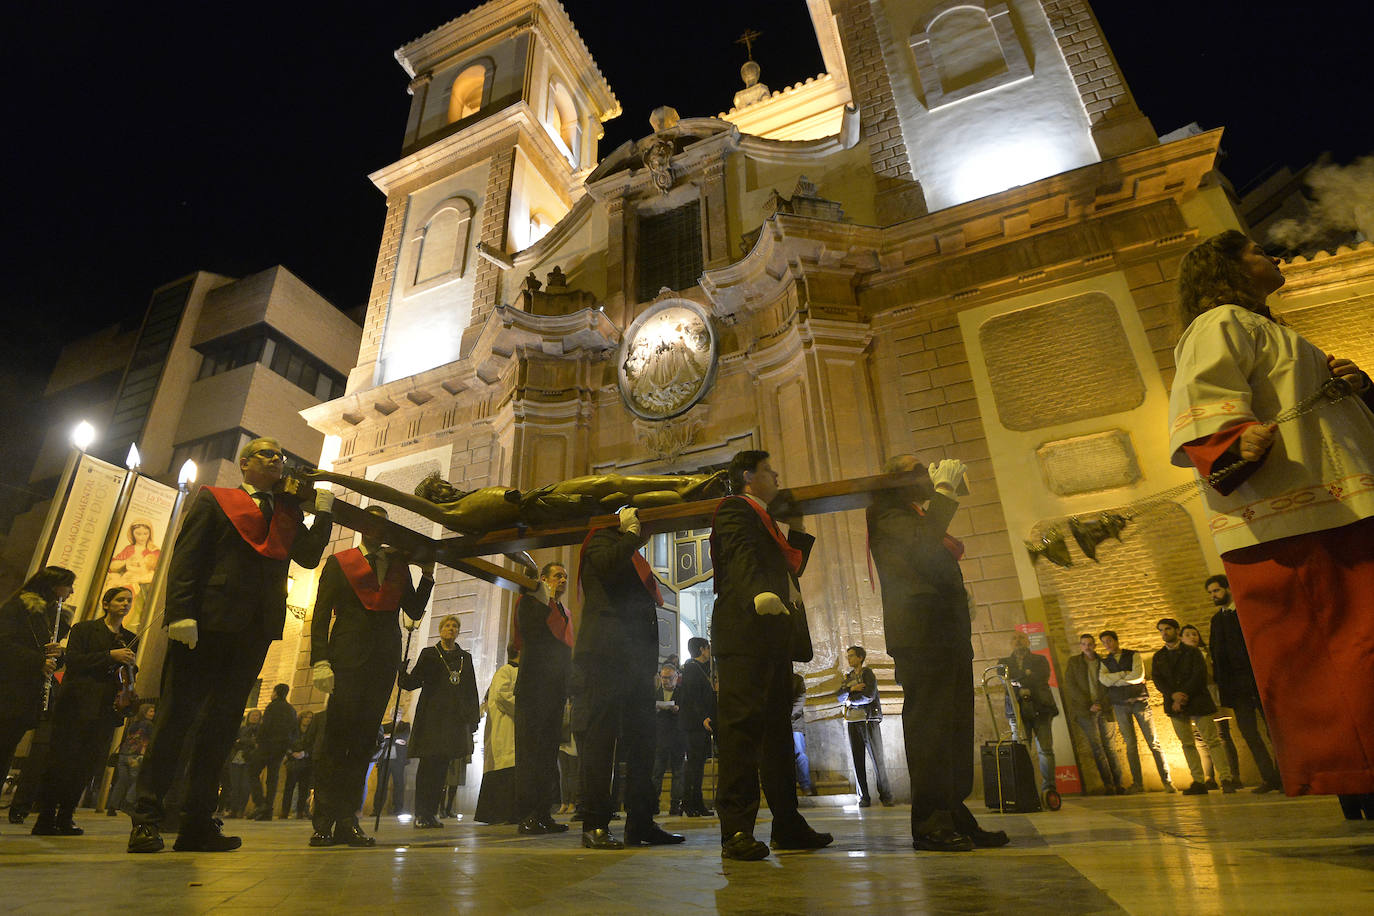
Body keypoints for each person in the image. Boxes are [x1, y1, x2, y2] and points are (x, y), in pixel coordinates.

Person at [1169, 230, 1374, 816]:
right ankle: (1354, 778)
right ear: (1225, 270)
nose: (1274, 257)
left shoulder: (1276, 329)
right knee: (1337, 656)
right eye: (1259, 252)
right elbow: (1205, 396)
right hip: (1292, 516)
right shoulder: (1219, 324)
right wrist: (1232, 442)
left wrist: (1353, 385)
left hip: (1340, 505)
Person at [127, 436, 334, 853]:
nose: (277, 460)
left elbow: (309, 558)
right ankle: (146, 819)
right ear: (245, 464)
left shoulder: (287, 513)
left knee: (220, 727)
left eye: (281, 455)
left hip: (254, 628)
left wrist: (323, 515)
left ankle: (197, 823)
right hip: (205, 623)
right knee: (175, 720)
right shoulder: (216, 499)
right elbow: (188, 558)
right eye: (267, 454)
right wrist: (180, 612)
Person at [867, 454, 1008, 852]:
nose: (928, 474)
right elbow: (921, 546)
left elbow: (931, 556)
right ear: (896, 478)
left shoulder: (912, 513)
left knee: (955, 727)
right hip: (921, 635)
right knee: (930, 729)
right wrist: (944, 494)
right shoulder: (887, 513)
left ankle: (954, 812)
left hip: (946, 631)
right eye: (917, 469)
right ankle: (930, 823)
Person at [709, 449, 830, 860]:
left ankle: (787, 824)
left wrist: (795, 526)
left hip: (773, 636)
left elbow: (786, 567)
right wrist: (757, 590)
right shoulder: (735, 509)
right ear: (748, 476)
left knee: (777, 735)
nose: (776, 475)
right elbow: (741, 553)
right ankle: (736, 831)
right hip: (745, 632)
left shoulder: (767, 521)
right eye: (768, 471)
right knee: (741, 732)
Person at [308, 504, 432, 846]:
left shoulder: (397, 567)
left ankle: (348, 819)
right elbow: (320, 615)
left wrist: (428, 576)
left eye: (382, 524)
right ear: (359, 526)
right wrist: (320, 660)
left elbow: (414, 609)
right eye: (370, 522)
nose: (376, 528)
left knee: (364, 742)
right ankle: (324, 820)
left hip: (382, 662)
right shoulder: (339, 562)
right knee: (336, 740)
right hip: (346, 660)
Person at [574, 508, 683, 849]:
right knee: (601, 740)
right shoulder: (600, 538)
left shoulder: (629, 551)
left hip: (635, 661)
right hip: (606, 658)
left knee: (641, 742)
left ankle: (640, 823)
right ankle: (594, 823)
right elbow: (606, 565)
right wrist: (630, 536)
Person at [31, 586, 138, 835]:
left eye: (129, 600)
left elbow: (128, 671)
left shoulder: (130, 637)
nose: (125, 604)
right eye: (120, 600)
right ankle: (46, 818)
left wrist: (131, 666)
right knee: (61, 760)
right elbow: (74, 660)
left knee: (87, 764)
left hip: (105, 708)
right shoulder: (84, 629)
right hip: (76, 704)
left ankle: (67, 816)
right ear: (106, 603)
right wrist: (110, 656)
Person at [0, 566, 74, 808]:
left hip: (27, 691)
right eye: (68, 585)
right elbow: (6, 644)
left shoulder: (54, 615)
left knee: (8, 746)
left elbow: (48, 654)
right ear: (54, 586)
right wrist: (37, 661)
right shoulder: (18, 607)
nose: (71, 591)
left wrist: (57, 655)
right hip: (9, 687)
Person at [1204, 575, 1283, 794]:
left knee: (1273, 731)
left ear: (1228, 589)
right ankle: (1270, 778)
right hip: (1237, 689)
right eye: (1210, 593)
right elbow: (1217, 653)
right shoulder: (1217, 620)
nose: (1214, 595)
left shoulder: (1246, 612)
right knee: (1249, 733)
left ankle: (1285, 775)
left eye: (1217, 591)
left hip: (1258, 682)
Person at [398, 615, 479, 828]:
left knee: (442, 767)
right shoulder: (430, 654)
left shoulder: (464, 658)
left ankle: (431, 814)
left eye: (455, 626)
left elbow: (471, 689)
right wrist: (402, 674)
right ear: (441, 630)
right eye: (447, 626)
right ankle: (421, 814)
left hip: (452, 720)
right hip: (431, 719)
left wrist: (473, 719)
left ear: (458, 632)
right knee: (427, 766)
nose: (451, 629)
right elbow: (413, 682)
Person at [513, 562, 573, 835]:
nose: (562, 580)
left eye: (565, 577)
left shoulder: (564, 611)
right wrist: (543, 597)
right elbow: (531, 635)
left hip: (555, 690)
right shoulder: (529, 602)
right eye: (557, 576)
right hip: (533, 687)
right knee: (531, 752)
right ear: (544, 579)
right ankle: (527, 815)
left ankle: (543, 813)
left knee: (549, 755)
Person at [1152, 618, 1236, 794]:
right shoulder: (1159, 656)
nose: (1164, 633)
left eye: (1167, 629)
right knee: (1187, 743)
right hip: (1174, 704)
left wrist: (1182, 695)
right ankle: (1198, 780)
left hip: (1197, 700)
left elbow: (1199, 675)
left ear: (1176, 630)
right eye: (1161, 630)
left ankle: (1226, 778)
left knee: (1212, 741)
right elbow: (1159, 680)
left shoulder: (1192, 652)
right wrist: (1173, 695)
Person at [1098, 630, 1174, 793]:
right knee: (1130, 745)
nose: (1107, 645)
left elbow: (1138, 676)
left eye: (1109, 641)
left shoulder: (1133, 655)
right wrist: (1125, 675)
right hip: (1119, 704)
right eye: (1104, 642)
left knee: (1153, 742)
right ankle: (1138, 784)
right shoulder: (1105, 662)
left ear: (1116, 641)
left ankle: (1167, 781)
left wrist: (1116, 680)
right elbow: (1104, 680)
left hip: (1139, 702)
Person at [1178, 624, 1242, 789]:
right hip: (1194, 699)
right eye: (1188, 634)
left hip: (1212, 695)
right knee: (1200, 739)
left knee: (1222, 736)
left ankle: (1232, 776)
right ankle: (1209, 777)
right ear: (1181, 638)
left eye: (1195, 634)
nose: (1193, 637)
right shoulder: (1180, 657)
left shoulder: (1207, 654)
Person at [1062, 634, 1125, 795]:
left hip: (1104, 709)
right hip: (1085, 711)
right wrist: (1089, 705)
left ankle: (1119, 784)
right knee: (1096, 747)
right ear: (1081, 646)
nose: (1087, 647)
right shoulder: (1074, 663)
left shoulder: (1104, 662)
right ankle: (1108, 785)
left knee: (1109, 747)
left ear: (1095, 646)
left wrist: (1101, 704)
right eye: (1084, 644)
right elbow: (1071, 686)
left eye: (1090, 644)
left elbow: (1110, 685)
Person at [999, 632, 1059, 797]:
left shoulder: (1040, 660)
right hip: (1017, 711)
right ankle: (1027, 790)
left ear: (1028, 641)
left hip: (1041, 709)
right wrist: (1026, 675)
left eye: (1021, 638)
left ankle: (1049, 789)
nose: (1018, 641)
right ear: (1010, 643)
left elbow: (1042, 677)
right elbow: (1004, 680)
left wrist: (1016, 680)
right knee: (1021, 752)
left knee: (1046, 750)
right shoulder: (1003, 663)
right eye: (1014, 638)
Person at [838, 645, 892, 807]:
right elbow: (839, 697)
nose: (849, 659)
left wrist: (850, 698)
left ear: (861, 657)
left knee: (877, 759)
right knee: (857, 761)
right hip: (853, 721)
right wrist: (852, 689)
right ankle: (864, 797)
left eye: (852, 656)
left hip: (869, 720)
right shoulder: (848, 677)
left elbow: (869, 695)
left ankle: (886, 796)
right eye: (848, 656)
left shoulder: (868, 674)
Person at [474, 645, 520, 825]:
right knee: (504, 768)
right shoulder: (506, 671)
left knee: (510, 768)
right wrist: (526, 708)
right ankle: (498, 814)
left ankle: (508, 813)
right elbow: (502, 695)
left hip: (514, 727)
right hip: (505, 728)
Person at [678, 637, 716, 817]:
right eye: (708, 648)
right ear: (702, 649)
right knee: (693, 765)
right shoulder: (692, 668)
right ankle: (688, 803)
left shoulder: (700, 668)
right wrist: (703, 718)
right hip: (693, 724)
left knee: (699, 764)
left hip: (699, 723)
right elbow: (693, 697)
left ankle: (697, 802)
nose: (710, 652)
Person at [248, 684, 296, 820]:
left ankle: (260, 803)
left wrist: (258, 740)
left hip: (267, 746)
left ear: (275, 693)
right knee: (272, 778)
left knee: (252, 771)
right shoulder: (291, 709)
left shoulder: (272, 707)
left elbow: (266, 726)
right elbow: (293, 730)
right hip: (280, 749)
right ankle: (268, 810)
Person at [106, 702, 156, 816]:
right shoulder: (149, 725)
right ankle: (128, 803)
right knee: (137, 781)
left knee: (121, 781)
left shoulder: (133, 724)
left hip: (124, 754)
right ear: (145, 712)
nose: (153, 713)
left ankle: (112, 806)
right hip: (137, 755)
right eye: (151, 711)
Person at [652, 664, 686, 816]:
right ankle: (653, 804)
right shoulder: (654, 694)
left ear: (676, 677)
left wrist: (679, 710)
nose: (666, 681)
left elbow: (690, 711)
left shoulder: (682, 693)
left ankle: (675, 805)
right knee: (656, 773)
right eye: (663, 677)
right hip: (660, 738)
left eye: (669, 678)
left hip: (678, 737)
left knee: (678, 773)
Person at [280, 709, 317, 819]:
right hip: (293, 761)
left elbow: (314, 745)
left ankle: (300, 811)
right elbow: (286, 743)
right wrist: (292, 753)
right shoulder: (294, 730)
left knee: (304, 788)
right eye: (306, 717)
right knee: (289, 787)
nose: (307, 720)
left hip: (306, 761)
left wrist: (305, 753)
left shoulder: (312, 732)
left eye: (310, 718)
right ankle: (285, 811)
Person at [227, 710, 261, 817]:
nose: (255, 717)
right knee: (235, 785)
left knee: (245, 786)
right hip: (237, 758)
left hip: (250, 759)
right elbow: (235, 741)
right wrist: (248, 741)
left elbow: (256, 743)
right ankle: (233, 809)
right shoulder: (241, 728)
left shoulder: (260, 730)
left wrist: (242, 741)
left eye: (257, 716)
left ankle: (241, 810)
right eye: (253, 715)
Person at [790, 673, 814, 797]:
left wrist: (786, 714)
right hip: (778, 724)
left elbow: (800, 698)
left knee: (800, 754)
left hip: (794, 723)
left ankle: (805, 785)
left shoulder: (797, 679)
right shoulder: (774, 677)